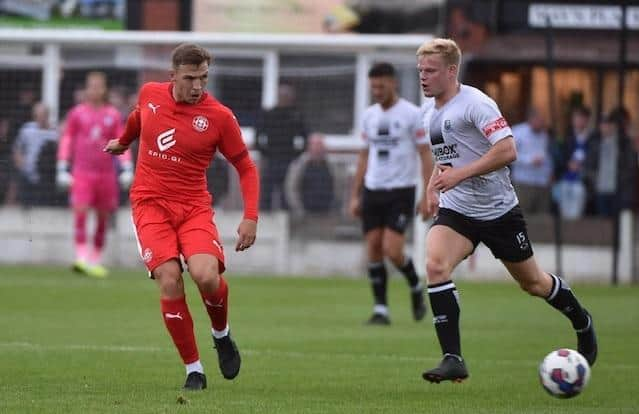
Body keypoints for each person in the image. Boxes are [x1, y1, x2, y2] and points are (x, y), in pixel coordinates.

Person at [417, 38, 597, 383]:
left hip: (499, 211)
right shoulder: (430, 113)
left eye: (431, 70)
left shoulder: (477, 104)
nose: (423, 77)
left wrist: (460, 175)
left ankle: (582, 321)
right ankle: (453, 357)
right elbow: (446, 160)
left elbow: (508, 150)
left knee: (533, 283)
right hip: (458, 210)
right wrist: (432, 188)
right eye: (421, 70)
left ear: (451, 71)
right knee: (435, 265)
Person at [104, 43, 259, 391]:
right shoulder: (150, 94)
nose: (198, 86)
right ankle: (194, 370)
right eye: (190, 78)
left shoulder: (219, 116)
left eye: (203, 78)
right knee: (170, 277)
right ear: (172, 76)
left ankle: (221, 335)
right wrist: (125, 141)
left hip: (192, 208)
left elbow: (246, 167)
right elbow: (138, 118)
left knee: (205, 276)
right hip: (150, 203)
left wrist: (250, 217)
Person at [348, 62, 433, 326]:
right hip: (373, 190)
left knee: (392, 250)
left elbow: (424, 154)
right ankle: (381, 309)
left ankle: (415, 285)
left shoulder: (412, 114)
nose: (377, 91)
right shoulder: (369, 116)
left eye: (381, 86)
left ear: (393, 83)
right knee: (373, 247)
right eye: (373, 86)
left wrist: (427, 193)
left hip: (401, 190)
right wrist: (355, 194)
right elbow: (363, 155)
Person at [56, 71, 133, 278]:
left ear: (104, 89)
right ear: (86, 89)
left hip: (106, 174)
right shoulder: (77, 113)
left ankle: (95, 260)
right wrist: (62, 166)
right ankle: (80, 257)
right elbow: (67, 139)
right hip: (82, 172)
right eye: (91, 86)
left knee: (102, 217)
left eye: (99, 86)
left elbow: (121, 140)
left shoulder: (113, 114)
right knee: (80, 211)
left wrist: (127, 167)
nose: (95, 90)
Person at [255, 83, 307, 211]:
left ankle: (285, 216)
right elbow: (258, 136)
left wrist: (296, 154)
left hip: (288, 160)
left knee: (287, 190)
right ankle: (264, 217)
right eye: (282, 95)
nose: (284, 98)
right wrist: (265, 152)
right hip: (270, 159)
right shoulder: (269, 115)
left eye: (287, 96)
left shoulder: (296, 116)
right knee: (267, 190)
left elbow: (305, 137)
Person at [584, 111, 637, 217]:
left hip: (618, 192)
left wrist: (620, 182)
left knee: (618, 224)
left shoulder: (624, 144)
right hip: (600, 191)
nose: (606, 127)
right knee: (602, 225)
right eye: (603, 124)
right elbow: (588, 166)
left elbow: (631, 167)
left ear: (615, 126)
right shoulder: (594, 143)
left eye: (609, 124)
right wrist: (595, 180)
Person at [12, 102, 58, 207]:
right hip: (27, 176)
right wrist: (21, 164)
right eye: (37, 115)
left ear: (47, 115)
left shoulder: (54, 133)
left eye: (43, 115)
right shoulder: (27, 130)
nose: (40, 118)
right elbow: (17, 149)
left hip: (46, 179)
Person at [511, 108, 553, 215]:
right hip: (524, 182)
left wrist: (549, 173)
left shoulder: (544, 135)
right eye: (539, 120)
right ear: (531, 119)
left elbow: (547, 155)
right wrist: (530, 160)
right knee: (523, 216)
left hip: (542, 183)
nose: (541, 123)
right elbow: (509, 156)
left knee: (542, 217)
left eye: (542, 120)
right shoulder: (517, 132)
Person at [284, 132, 336, 217]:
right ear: (309, 147)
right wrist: (299, 210)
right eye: (315, 145)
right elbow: (291, 188)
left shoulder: (332, 166)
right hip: (305, 213)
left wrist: (334, 208)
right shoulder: (299, 165)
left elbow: (338, 187)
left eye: (320, 145)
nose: (317, 148)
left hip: (326, 213)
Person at [556, 105, 593, 219]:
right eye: (576, 118)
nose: (579, 121)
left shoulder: (592, 139)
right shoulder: (566, 137)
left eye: (582, 118)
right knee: (564, 213)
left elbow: (593, 158)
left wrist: (582, 166)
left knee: (576, 212)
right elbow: (559, 157)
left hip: (582, 181)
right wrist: (568, 163)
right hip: (565, 179)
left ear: (587, 120)